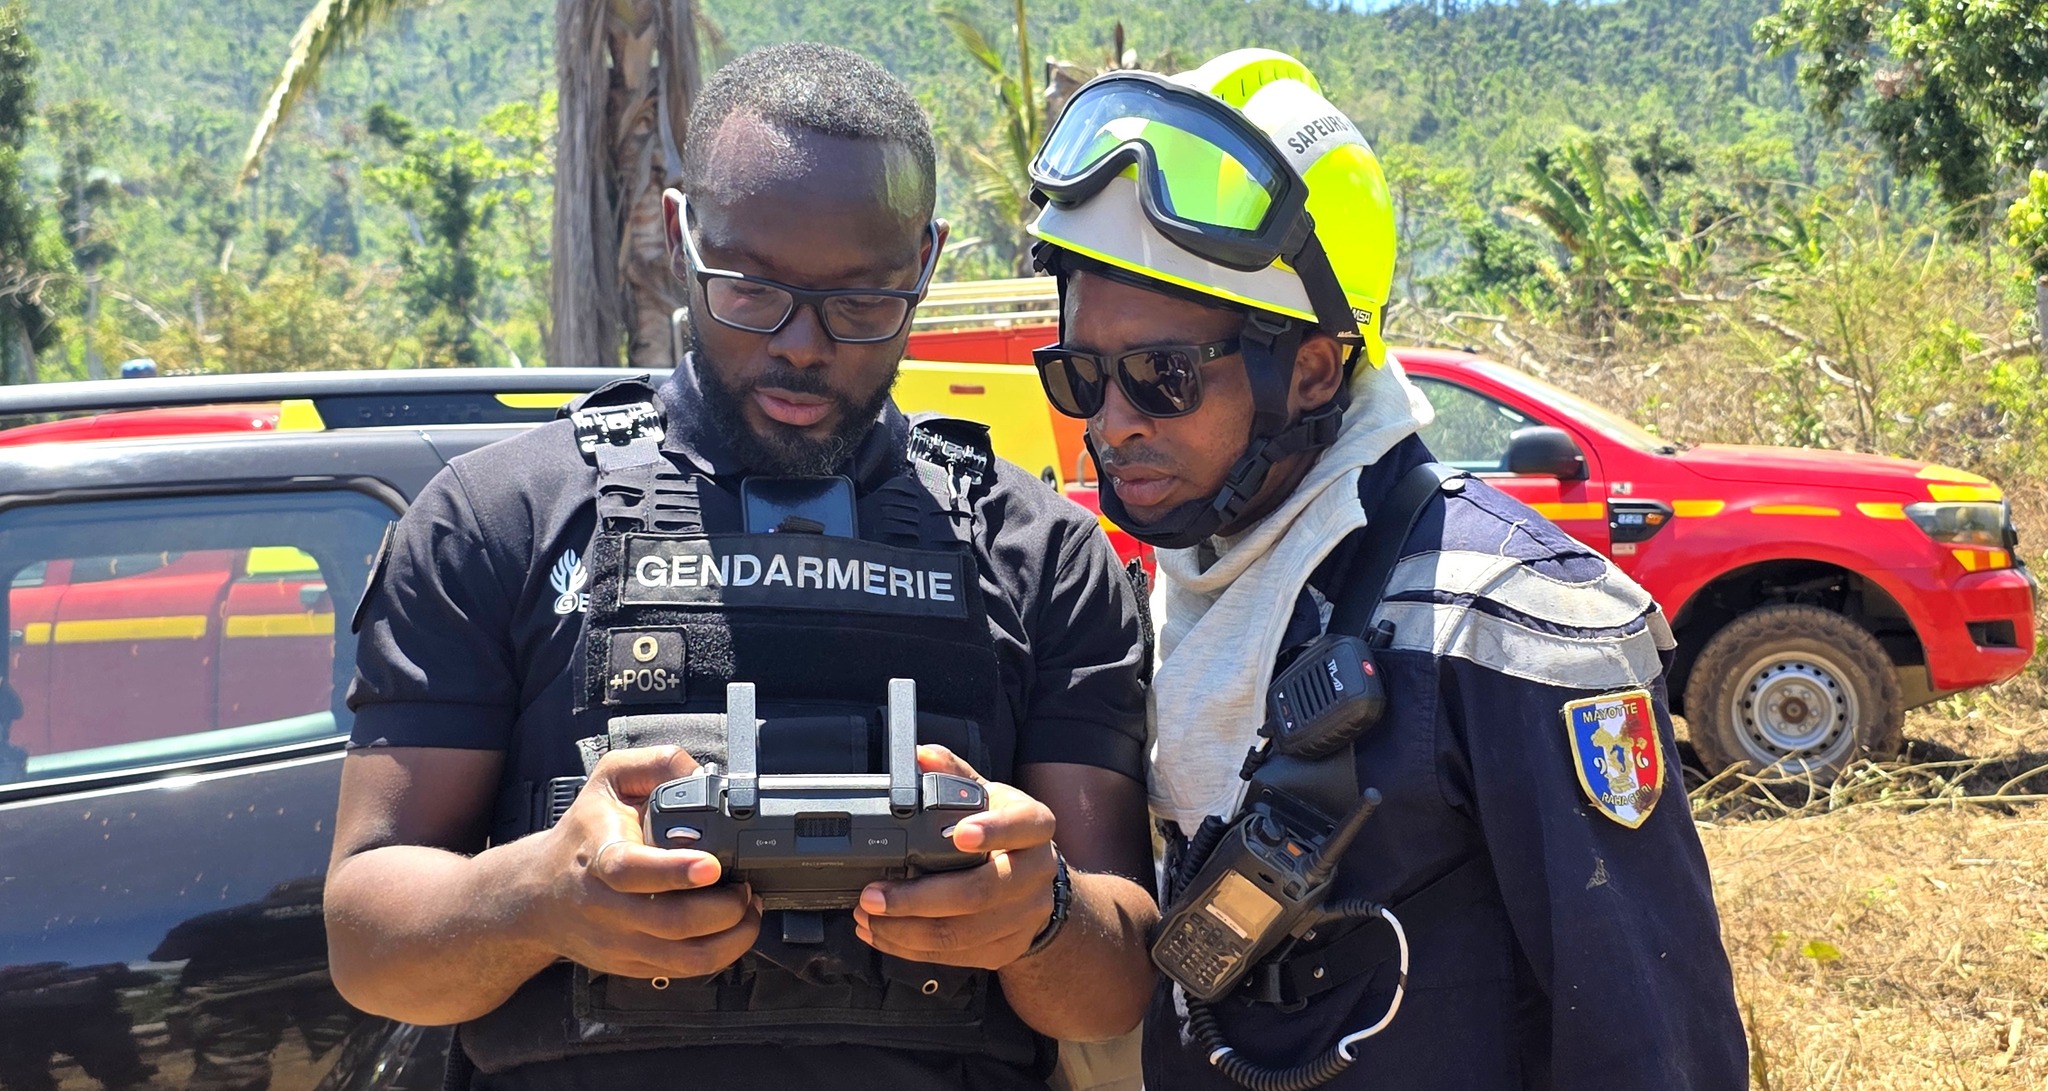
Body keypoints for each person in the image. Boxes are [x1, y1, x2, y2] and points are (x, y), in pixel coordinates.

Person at [326, 43, 1157, 1091]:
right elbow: (366, 940)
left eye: (861, 301)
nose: (803, 346)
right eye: (751, 288)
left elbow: (1122, 973)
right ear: (681, 235)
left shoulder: (1039, 553)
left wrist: (1041, 916)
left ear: (927, 261)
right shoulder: (494, 520)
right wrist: (541, 893)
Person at [1026, 49, 1748, 1088]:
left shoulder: (1514, 621)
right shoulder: (1168, 594)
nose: (1112, 422)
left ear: (1313, 366)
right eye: (1081, 373)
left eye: (1162, 376)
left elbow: (1652, 1042)